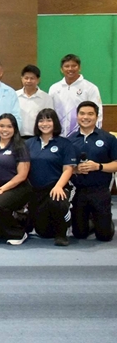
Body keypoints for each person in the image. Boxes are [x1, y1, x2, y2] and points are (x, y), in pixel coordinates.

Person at [26, 108, 77, 246]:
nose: (45, 124)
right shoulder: (29, 144)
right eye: (41, 121)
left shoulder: (65, 144)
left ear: (55, 122)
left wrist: (59, 186)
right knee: (44, 232)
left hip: (56, 186)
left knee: (57, 200)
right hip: (36, 190)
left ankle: (62, 233)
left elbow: (68, 169)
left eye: (49, 120)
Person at [68, 101, 116, 242]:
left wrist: (98, 166)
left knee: (104, 236)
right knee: (79, 234)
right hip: (79, 191)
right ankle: (91, 220)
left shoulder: (108, 138)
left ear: (96, 116)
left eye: (90, 114)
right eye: (82, 114)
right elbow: (64, 167)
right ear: (77, 116)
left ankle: (104, 221)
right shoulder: (70, 140)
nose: (86, 117)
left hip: (100, 190)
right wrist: (76, 170)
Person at [0, 114, 32, 245]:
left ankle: (19, 233)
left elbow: (22, 175)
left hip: (18, 187)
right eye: (1, 126)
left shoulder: (20, 146)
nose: (5, 130)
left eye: (9, 126)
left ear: (15, 128)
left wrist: (1, 190)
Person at [49, 54, 102, 137]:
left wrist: (94, 134)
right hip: (59, 136)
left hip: (82, 135)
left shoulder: (90, 88)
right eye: (67, 66)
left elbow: (98, 113)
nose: (70, 69)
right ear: (61, 69)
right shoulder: (54, 88)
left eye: (74, 66)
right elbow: (50, 112)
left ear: (79, 68)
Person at [16, 65, 53, 139]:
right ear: (21, 79)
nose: (28, 81)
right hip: (17, 137)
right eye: (26, 78)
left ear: (38, 80)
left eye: (32, 78)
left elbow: (50, 118)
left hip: (38, 138)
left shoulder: (46, 98)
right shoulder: (14, 96)